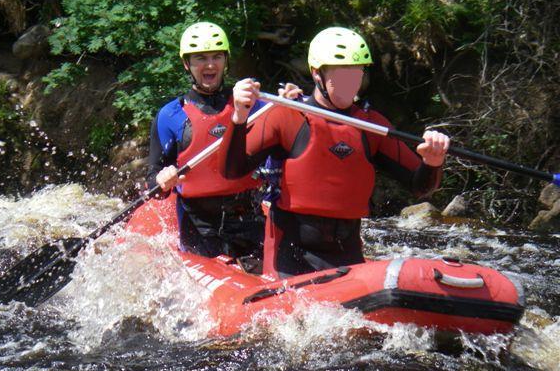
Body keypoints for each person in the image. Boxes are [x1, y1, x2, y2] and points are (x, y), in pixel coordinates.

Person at [219, 27, 450, 278]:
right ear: (317, 73)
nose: (350, 82)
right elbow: (232, 170)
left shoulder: (372, 125)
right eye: (340, 74)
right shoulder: (286, 116)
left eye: (356, 72)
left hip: (346, 250)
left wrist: (432, 162)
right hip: (292, 255)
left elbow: (420, 186)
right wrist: (239, 118)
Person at [146, 21, 267, 259]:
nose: (210, 64)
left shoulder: (253, 105)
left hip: (249, 217)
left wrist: (292, 100)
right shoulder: (170, 116)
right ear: (186, 64)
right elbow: (153, 180)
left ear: (226, 61)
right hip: (199, 226)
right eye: (200, 58)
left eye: (216, 57)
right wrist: (161, 179)